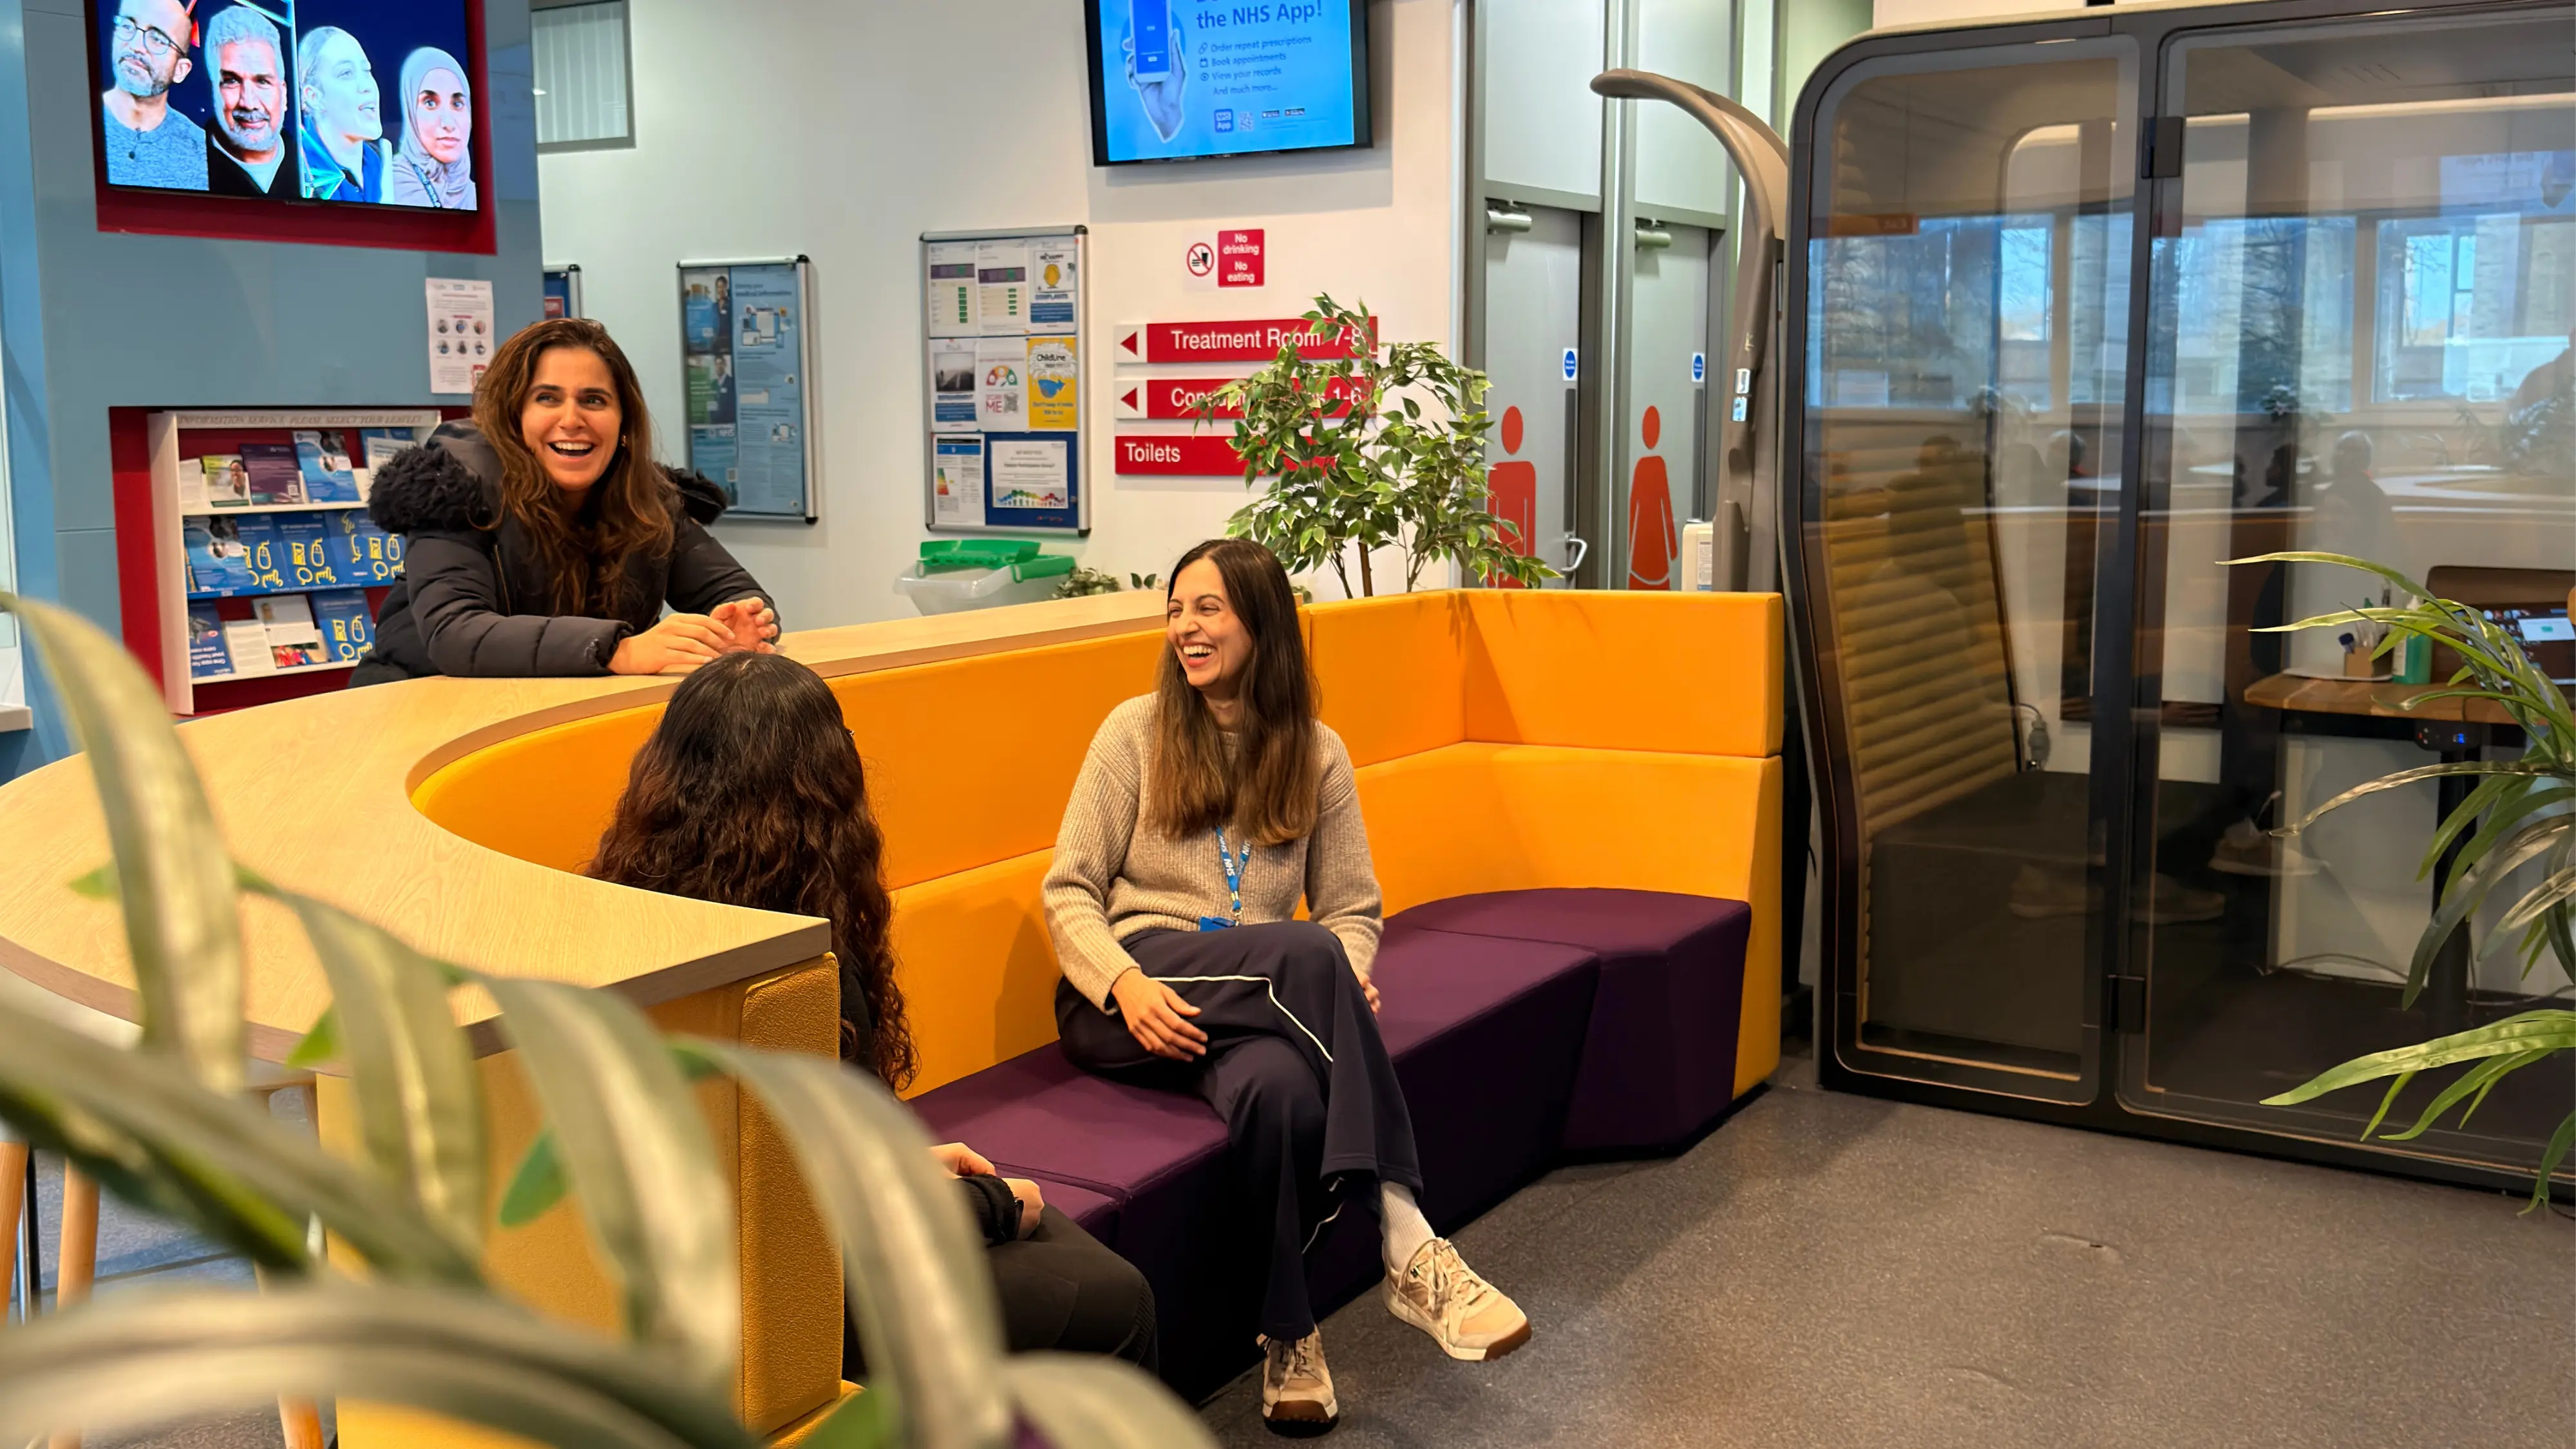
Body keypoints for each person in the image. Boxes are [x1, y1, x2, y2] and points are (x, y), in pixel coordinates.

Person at [1045, 538, 1530, 1436]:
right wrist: (1122, 980)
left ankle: (1290, 1336)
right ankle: (1404, 1230)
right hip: (1131, 990)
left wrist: (1340, 973)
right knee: (1304, 957)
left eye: (1207, 609)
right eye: (1176, 611)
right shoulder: (1132, 732)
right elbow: (1067, 889)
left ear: (1262, 622)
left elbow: (1353, 911)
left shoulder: (1318, 754)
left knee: (1280, 1088)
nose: (1185, 628)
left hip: (1246, 1005)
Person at [589, 651, 1158, 1372]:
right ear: (817, 784)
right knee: (1116, 1299)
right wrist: (987, 1208)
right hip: (794, 1289)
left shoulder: (637, 919)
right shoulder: (793, 966)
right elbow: (808, 1206)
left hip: (711, 1259)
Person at [352, 317, 779, 683]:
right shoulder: (455, 483)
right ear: (513, 417)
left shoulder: (650, 497)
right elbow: (455, 632)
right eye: (547, 398)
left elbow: (733, 590)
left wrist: (737, 627)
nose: (572, 420)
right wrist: (620, 651)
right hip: (423, 708)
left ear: (623, 421)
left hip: (562, 710)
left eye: (594, 400)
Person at [100, 0, 209, 190]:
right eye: (128, 26)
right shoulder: (73, 121)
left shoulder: (201, 150)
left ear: (181, 70)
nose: (136, 46)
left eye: (157, 39)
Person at [201, 5, 288, 197]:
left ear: (284, 95)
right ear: (213, 90)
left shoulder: (318, 167)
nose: (248, 103)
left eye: (263, 81)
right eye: (231, 81)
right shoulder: (184, 165)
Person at [295, 25, 382, 202]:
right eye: (346, 73)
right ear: (314, 97)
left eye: (367, 71)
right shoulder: (299, 175)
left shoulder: (378, 163)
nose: (367, 86)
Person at [384, 46, 474, 209]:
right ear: (410, 112)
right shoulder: (388, 185)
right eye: (430, 103)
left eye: (457, 104)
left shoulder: (475, 195)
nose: (448, 124)